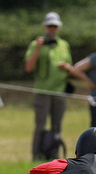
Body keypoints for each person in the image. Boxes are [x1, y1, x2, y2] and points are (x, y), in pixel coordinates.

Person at [25, 12, 74, 161]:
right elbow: (28, 67)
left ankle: (54, 155)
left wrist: (66, 67)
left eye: (55, 26)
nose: (52, 29)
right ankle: (36, 155)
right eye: (49, 26)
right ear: (44, 27)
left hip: (59, 92)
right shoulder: (35, 44)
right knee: (40, 126)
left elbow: (71, 67)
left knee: (57, 126)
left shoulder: (64, 45)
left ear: (58, 27)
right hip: (42, 92)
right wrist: (38, 49)